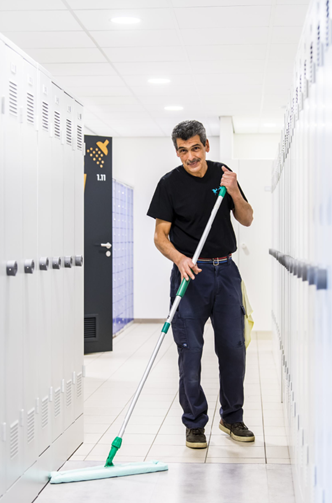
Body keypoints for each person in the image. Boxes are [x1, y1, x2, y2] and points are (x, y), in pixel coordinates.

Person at [147, 120, 255, 448]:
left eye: (195, 148)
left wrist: (233, 190)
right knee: (190, 351)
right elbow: (160, 237)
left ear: (206, 145)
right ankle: (194, 422)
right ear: (177, 152)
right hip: (190, 275)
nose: (191, 156)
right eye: (183, 151)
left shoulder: (224, 174)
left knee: (233, 349)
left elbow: (247, 218)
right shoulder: (169, 184)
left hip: (226, 271)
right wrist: (180, 259)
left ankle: (232, 418)